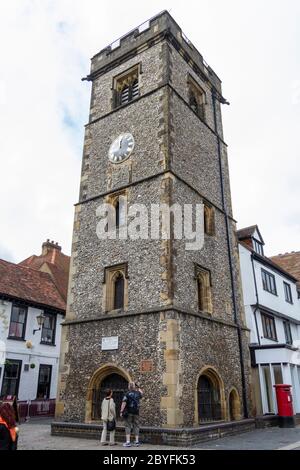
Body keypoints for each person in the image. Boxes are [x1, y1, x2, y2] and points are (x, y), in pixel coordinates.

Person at [120, 382, 143, 447]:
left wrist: (121, 411)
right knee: (136, 426)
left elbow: (124, 403)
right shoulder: (138, 393)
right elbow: (142, 393)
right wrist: (138, 387)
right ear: (134, 387)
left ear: (129, 387)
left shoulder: (126, 394)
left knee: (128, 426)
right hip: (136, 412)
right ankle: (137, 441)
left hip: (128, 412)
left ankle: (128, 442)